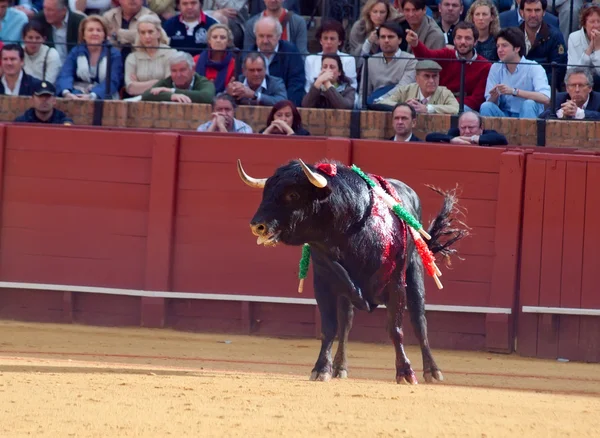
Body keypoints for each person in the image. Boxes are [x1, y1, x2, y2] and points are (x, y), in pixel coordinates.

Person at [480, 27, 550, 118]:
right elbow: (490, 101)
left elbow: (546, 98)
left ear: (517, 48)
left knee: (528, 104)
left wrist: (514, 91)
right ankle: (490, 133)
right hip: (504, 114)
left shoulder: (534, 67)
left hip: (528, 114)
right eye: (498, 46)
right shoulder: (495, 67)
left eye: (504, 46)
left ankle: (527, 132)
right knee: (486, 106)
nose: (500, 50)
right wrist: (494, 95)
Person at [55, 15, 123, 100]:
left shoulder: (113, 54)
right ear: (83, 35)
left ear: (104, 35)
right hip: (76, 95)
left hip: (104, 96)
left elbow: (113, 81)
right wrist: (67, 93)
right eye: (90, 30)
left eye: (99, 30)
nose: (95, 33)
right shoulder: (75, 51)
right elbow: (65, 74)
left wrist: (93, 95)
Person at [372, 60, 460, 114]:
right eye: (426, 76)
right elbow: (381, 102)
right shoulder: (405, 90)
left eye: (434, 76)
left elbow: (455, 108)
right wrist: (405, 106)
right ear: (417, 79)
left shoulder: (445, 92)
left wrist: (427, 108)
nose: (431, 81)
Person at [124, 14, 176, 97]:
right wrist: (159, 82)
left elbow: (169, 85)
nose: (147, 36)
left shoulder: (171, 54)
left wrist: (139, 84)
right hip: (138, 101)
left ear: (158, 33)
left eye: (150, 32)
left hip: (165, 99)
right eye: (142, 33)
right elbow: (131, 88)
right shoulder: (132, 57)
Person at [141, 51, 216, 103]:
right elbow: (146, 95)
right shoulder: (168, 81)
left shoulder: (202, 81)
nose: (178, 75)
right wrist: (172, 96)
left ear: (192, 69)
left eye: (182, 70)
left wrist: (172, 91)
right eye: (174, 71)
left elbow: (207, 96)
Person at [425, 110, 508, 145]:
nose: (467, 131)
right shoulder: (454, 133)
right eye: (463, 128)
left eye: (471, 127)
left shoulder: (489, 134)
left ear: (481, 127)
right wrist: (451, 139)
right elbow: (429, 137)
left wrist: (472, 139)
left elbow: (502, 139)